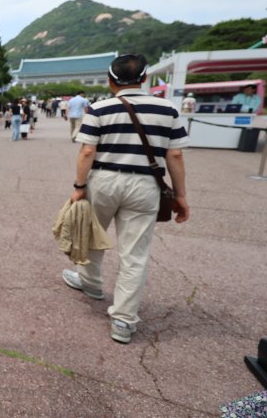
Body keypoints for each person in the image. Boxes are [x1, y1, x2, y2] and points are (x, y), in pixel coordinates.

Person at [62, 54, 190, 344]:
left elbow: (86, 152)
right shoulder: (168, 110)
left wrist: (79, 186)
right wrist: (180, 195)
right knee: (134, 254)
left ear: (110, 81)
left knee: (93, 236)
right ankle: (123, 319)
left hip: (104, 180)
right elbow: (176, 155)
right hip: (145, 184)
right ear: (144, 79)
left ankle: (91, 284)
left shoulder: (99, 108)